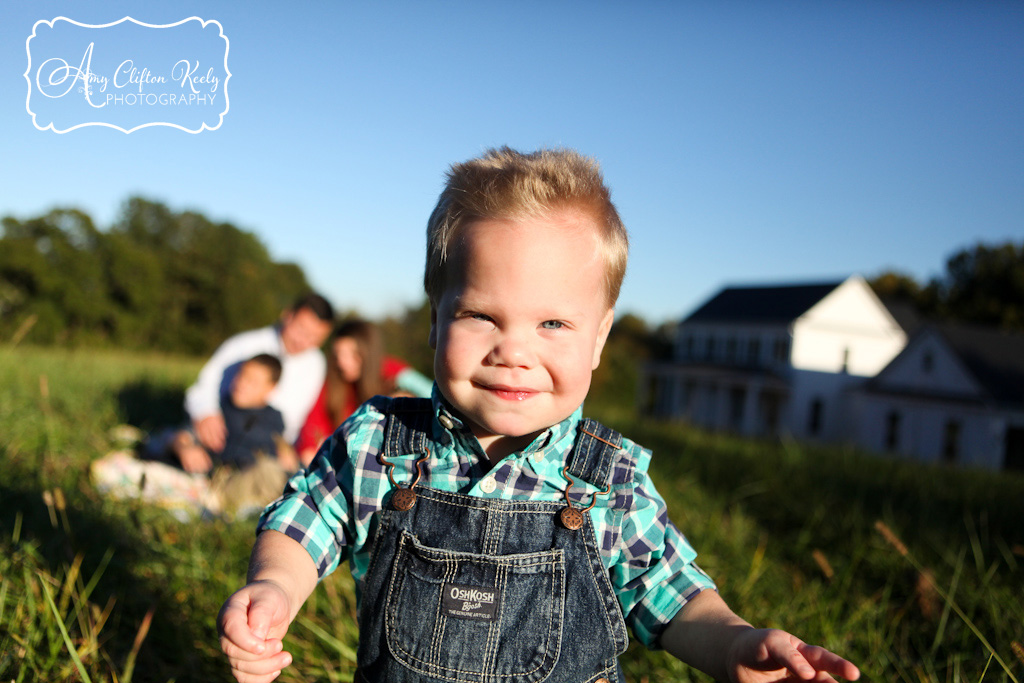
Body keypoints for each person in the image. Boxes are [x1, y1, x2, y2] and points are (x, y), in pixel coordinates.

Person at [218, 148, 861, 683]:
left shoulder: (608, 482)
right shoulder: (382, 445)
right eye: (481, 316)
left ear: (600, 338)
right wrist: (274, 589)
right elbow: (305, 521)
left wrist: (734, 645)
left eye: (553, 323)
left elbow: (668, 591)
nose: (514, 352)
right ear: (437, 319)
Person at [184, 293, 333, 452]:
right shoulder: (246, 345)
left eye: (314, 338)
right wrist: (206, 414)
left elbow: (301, 419)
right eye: (301, 330)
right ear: (287, 316)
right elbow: (203, 388)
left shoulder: (316, 363)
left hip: (275, 448)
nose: (303, 341)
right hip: (227, 435)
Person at [295, 319, 434, 465]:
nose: (343, 362)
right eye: (338, 354)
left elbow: (432, 394)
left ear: (368, 352)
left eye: (353, 354)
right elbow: (314, 424)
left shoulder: (393, 373)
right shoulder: (335, 380)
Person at [172, 354, 293, 475]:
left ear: (270, 388)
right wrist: (184, 449)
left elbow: (283, 447)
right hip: (225, 476)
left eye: (252, 381)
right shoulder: (220, 410)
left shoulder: (275, 418)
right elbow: (183, 435)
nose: (242, 384)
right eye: (241, 376)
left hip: (263, 476)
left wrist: (287, 453)